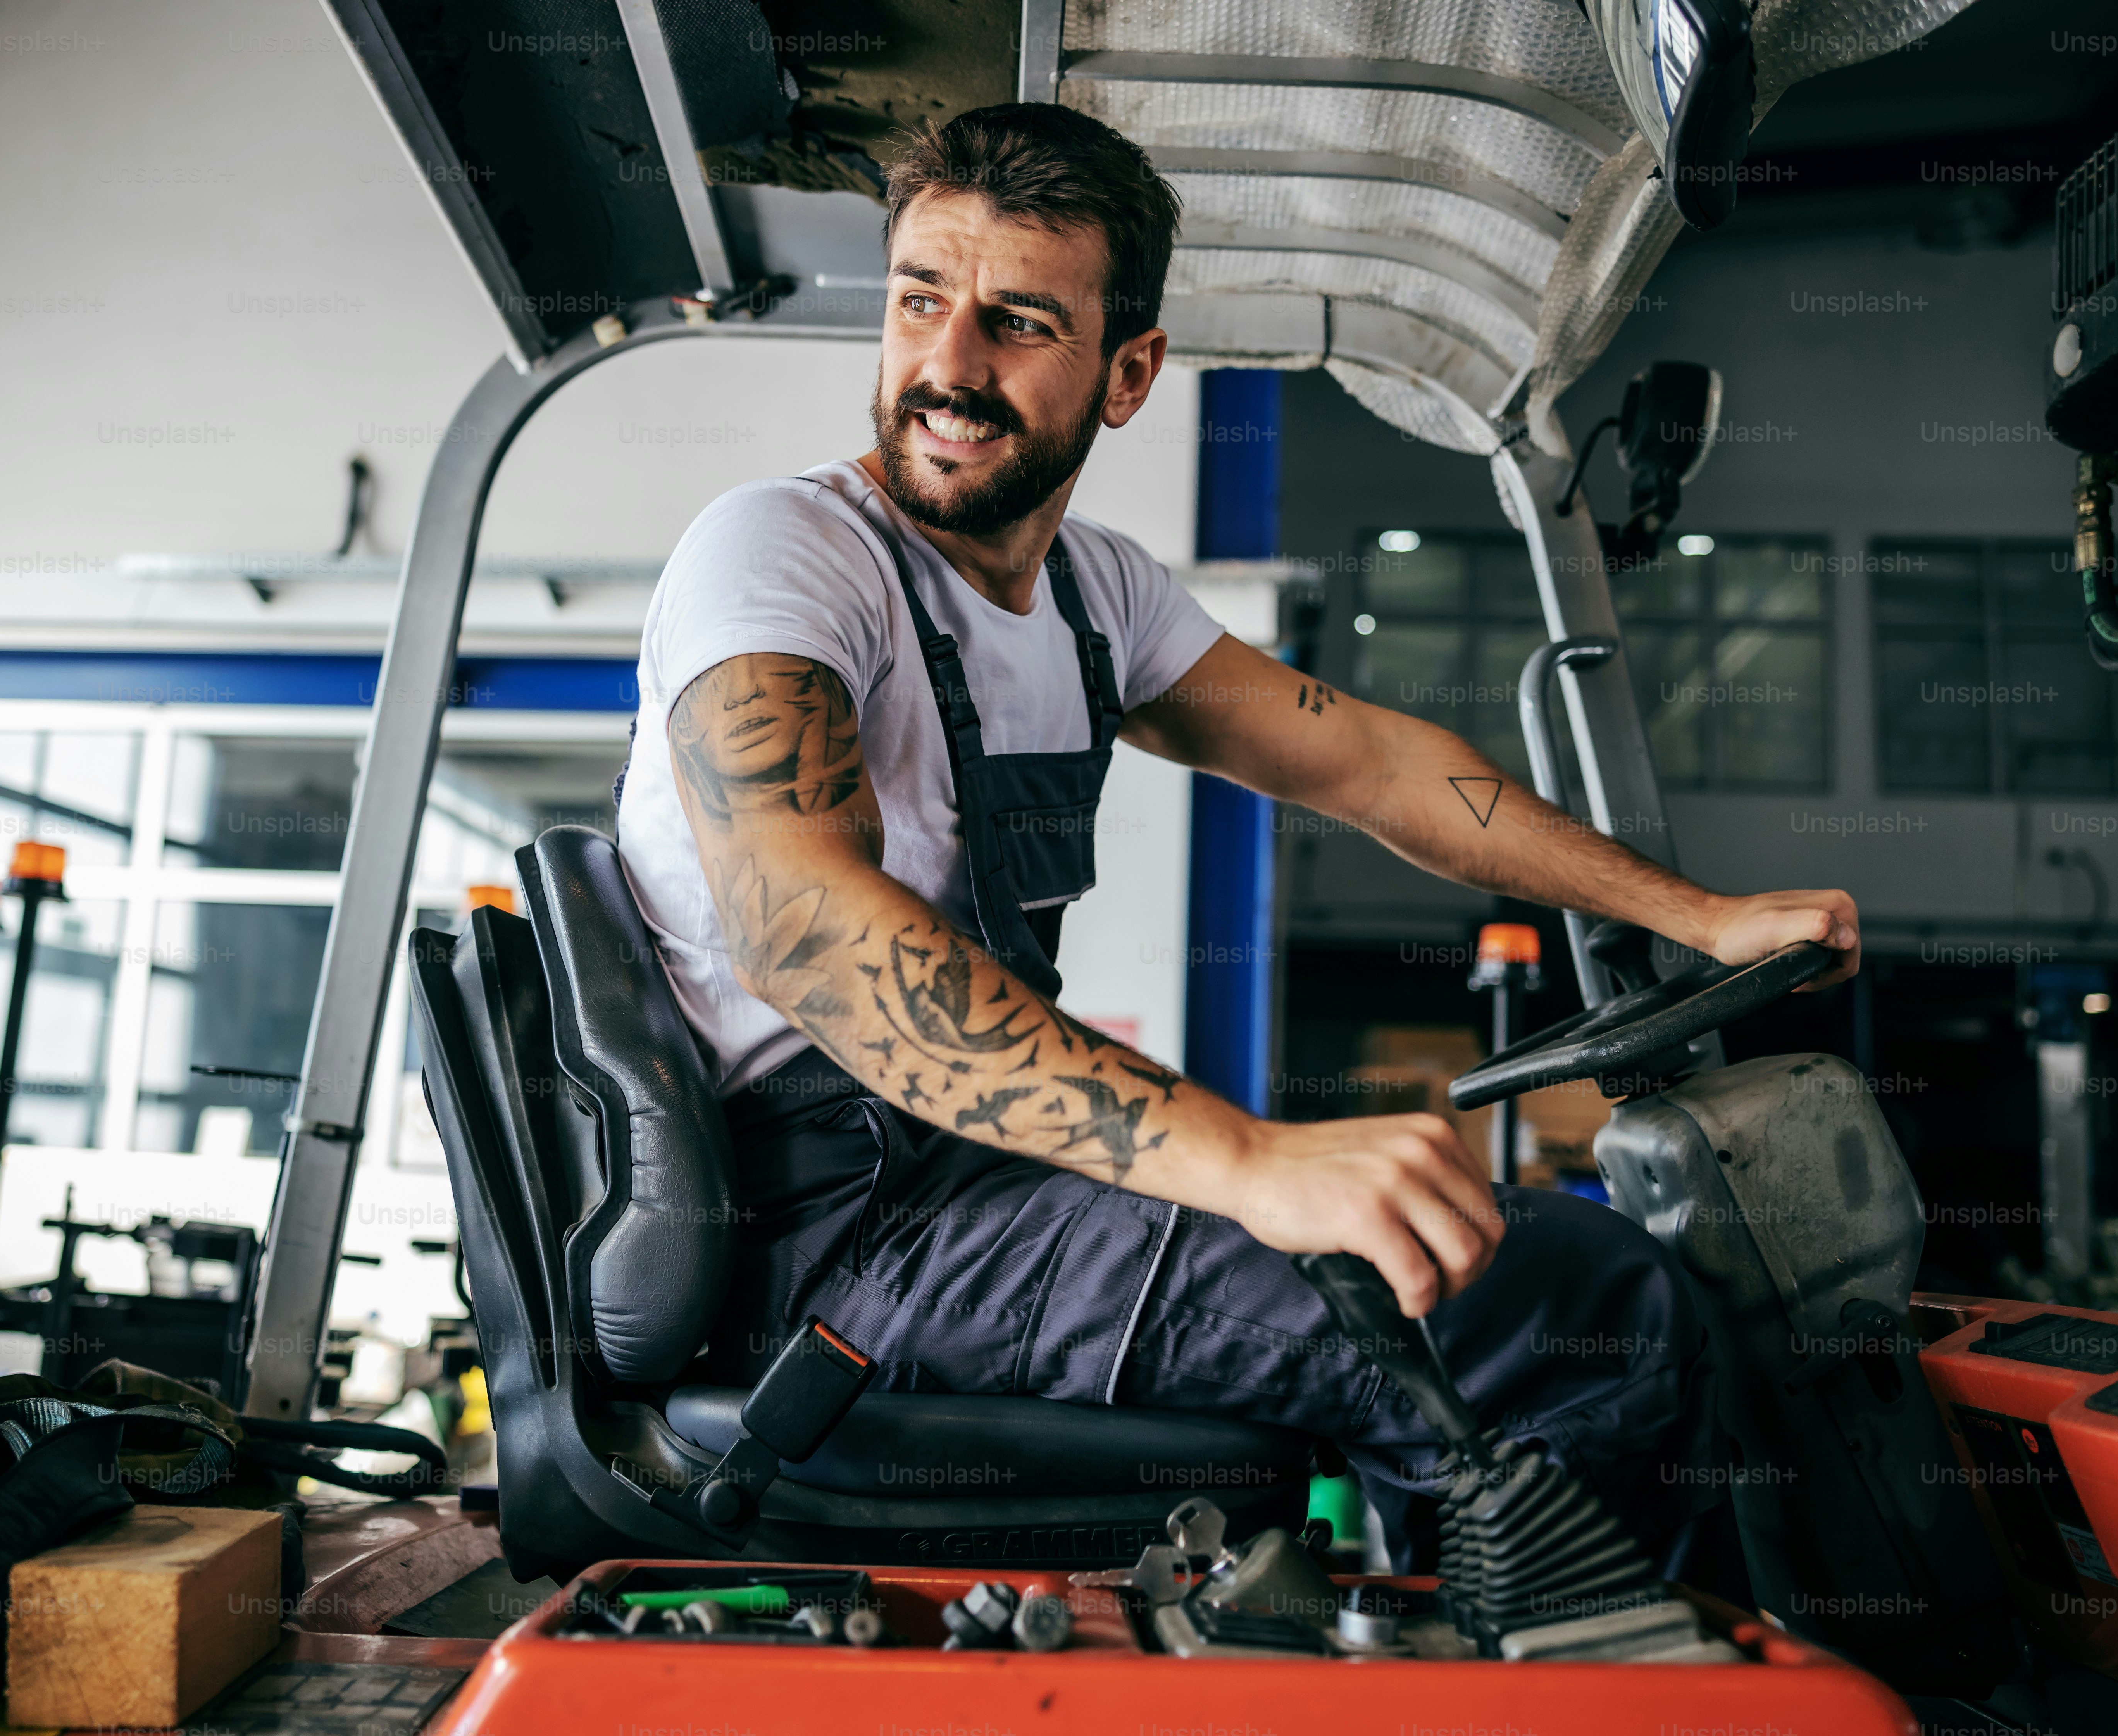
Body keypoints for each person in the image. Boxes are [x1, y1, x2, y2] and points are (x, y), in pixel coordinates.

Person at [612, 103, 1860, 1571]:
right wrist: (1251, 1161)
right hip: (838, 1252)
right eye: (918, 303)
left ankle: (1445, 1624)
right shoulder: (785, 550)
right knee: (1590, 1317)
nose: (949, 367)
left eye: (1016, 321)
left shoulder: (1096, 598)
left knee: (1494, 1250)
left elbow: (1382, 768)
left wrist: (1695, 917)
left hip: (968, 1194)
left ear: (1128, 371)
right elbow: (810, 929)